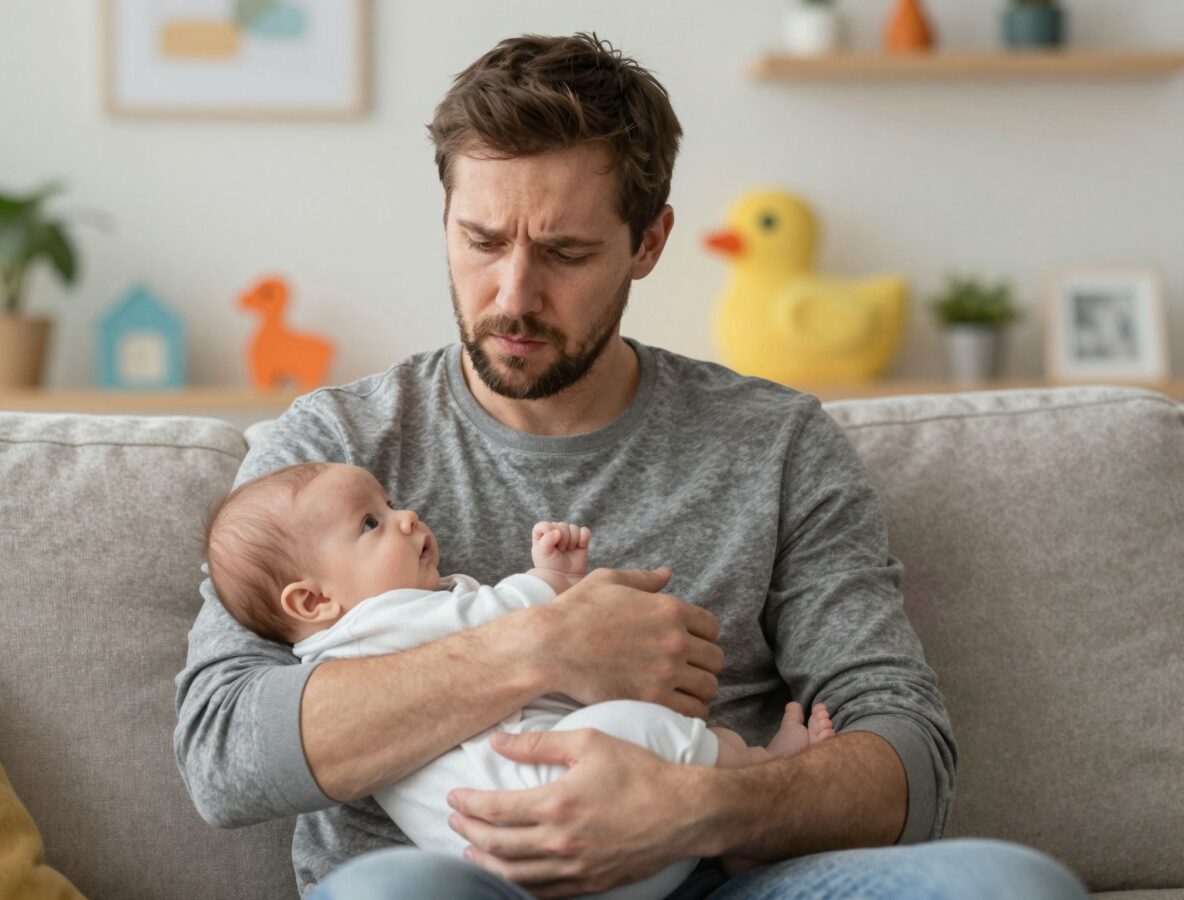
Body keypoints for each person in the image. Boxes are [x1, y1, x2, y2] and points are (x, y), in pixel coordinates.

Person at [175, 31, 1089, 900]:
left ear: (648, 242)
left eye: (565, 252)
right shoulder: (333, 449)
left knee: (1014, 886)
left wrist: (702, 807)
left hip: (730, 877)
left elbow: (910, 755)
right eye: (482, 241)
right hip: (448, 883)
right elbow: (222, 756)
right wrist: (541, 645)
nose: (514, 296)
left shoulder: (776, 442)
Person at [203, 460, 836, 898]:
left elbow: (489, 619)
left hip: (557, 856)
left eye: (389, 504)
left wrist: (552, 586)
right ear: (313, 602)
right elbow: (499, 617)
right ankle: (755, 771)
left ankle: (739, 821)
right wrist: (555, 594)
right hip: (543, 819)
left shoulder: (394, 623)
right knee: (638, 729)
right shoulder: (369, 632)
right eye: (370, 523)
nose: (407, 516)